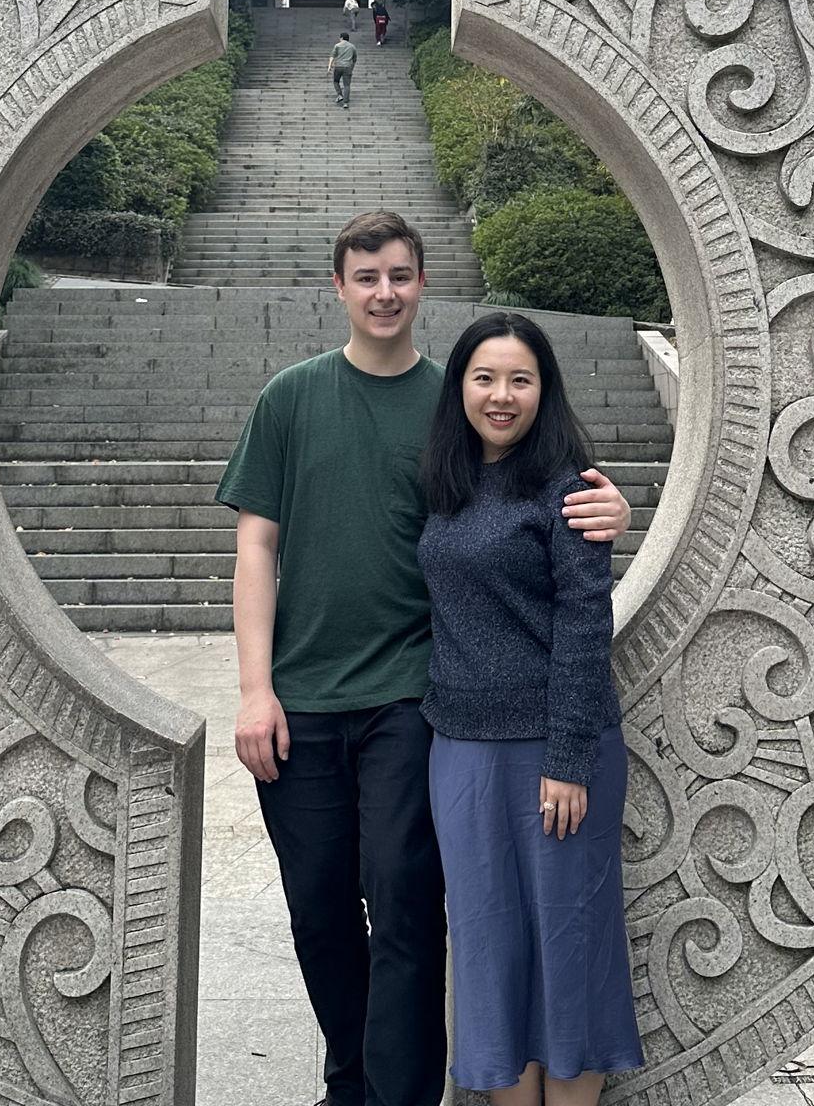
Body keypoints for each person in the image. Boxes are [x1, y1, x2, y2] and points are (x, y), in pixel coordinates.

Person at [216, 214, 631, 1106]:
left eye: (400, 275)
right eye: (366, 277)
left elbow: (531, 483)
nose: (384, 292)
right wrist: (255, 691)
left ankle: (399, 1097)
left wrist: (607, 511)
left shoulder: (454, 400)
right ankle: (350, 1083)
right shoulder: (290, 398)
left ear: (421, 283)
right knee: (319, 912)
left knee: (406, 908)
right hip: (300, 699)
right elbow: (256, 548)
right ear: (338, 287)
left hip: (414, 700)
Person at [418, 312, 643, 1105]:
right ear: (461, 388)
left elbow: (587, 621)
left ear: (544, 391)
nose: (502, 395)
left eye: (521, 379)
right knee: (487, 945)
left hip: (556, 754)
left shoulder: (570, 489)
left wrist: (567, 760)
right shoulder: (444, 482)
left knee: (567, 945)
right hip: (461, 752)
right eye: (485, 378)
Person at [328, 29, 357, 109]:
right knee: (347, 85)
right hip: (348, 67)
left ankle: (340, 95)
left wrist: (329, 66)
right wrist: (352, 67)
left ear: (341, 38)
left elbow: (332, 56)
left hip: (338, 66)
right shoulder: (352, 46)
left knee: (336, 81)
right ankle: (345, 103)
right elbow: (354, 59)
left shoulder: (337, 45)